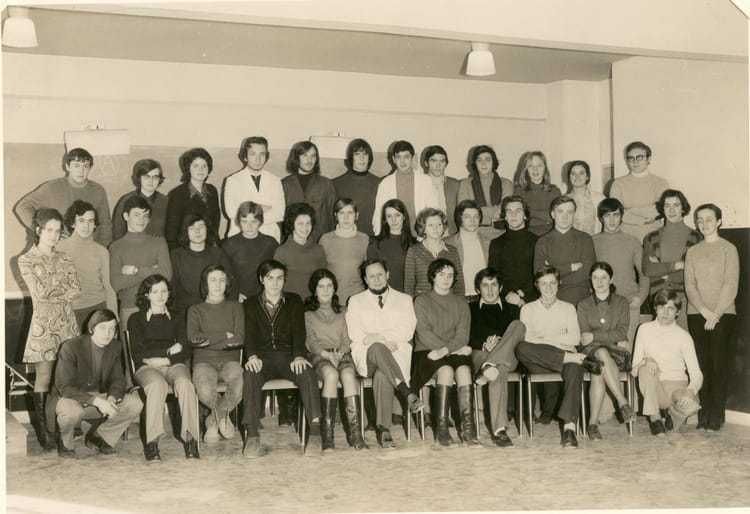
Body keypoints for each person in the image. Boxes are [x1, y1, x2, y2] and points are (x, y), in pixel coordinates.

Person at [241, 260, 322, 458]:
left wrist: (299, 355)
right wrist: (252, 356)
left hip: (288, 357)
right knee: (250, 374)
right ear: (262, 279)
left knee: (308, 372)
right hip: (263, 358)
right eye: (270, 278)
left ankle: (315, 433)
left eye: (279, 278)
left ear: (285, 280)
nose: (275, 283)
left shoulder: (294, 300)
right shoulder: (250, 303)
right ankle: (252, 436)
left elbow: (299, 332)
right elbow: (249, 334)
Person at [515, 266, 600, 448]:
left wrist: (544, 339)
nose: (548, 288)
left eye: (552, 283)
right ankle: (571, 358)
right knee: (521, 348)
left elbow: (574, 338)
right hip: (538, 362)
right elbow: (527, 338)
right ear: (537, 285)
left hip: (565, 359)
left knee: (574, 368)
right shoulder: (528, 309)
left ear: (559, 283)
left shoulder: (568, 308)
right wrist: (560, 343)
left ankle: (569, 429)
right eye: (543, 284)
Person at [19, 208, 81, 450]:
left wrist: (57, 291)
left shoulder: (65, 258)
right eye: (49, 230)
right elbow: (40, 293)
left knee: (67, 377)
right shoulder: (26, 260)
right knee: (44, 378)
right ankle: (45, 433)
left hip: (67, 324)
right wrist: (62, 291)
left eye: (58, 231)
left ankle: (65, 427)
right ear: (38, 230)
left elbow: (76, 290)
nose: (54, 235)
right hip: (43, 326)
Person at [346, 259, 424, 448]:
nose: (376, 279)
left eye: (380, 274)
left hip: (396, 356)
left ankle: (384, 430)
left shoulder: (404, 300)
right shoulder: (355, 301)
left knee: (382, 373)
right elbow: (355, 334)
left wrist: (376, 336)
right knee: (377, 348)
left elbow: (407, 330)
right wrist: (382, 339)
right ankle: (407, 393)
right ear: (365, 279)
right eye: (371, 276)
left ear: (387, 275)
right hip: (367, 357)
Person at [48, 309, 143, 458]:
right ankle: (65, 443)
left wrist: (112, 397)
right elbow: (64, 387)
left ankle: (100, 437)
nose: (107, 333)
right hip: (69, 399)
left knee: (135, 403)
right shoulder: (71, 347)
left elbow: (118, 380)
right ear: (91, 328)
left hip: (97, 400)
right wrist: (97, 401)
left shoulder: (115, 347)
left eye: (112, 329)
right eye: (102, 328)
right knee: (72, 412)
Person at [128, 275, 200, 461]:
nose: (160, 296)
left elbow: (185, 348)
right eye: (155, 291)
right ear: (146, 295)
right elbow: (138, 352)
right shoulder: (135, 319)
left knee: (185, 383)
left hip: (172, 364)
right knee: (157, 385)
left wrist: (164, 359)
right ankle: (152, 443)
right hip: (146, 367)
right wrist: (169, 351)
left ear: (169, 293)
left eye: (164, 291)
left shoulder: (177, 318)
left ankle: (190, 439)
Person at [413, 259, 479, 447]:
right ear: (432, 277)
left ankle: (468, 429)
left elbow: (463, 335)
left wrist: (445, 350)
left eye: (450, 275)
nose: (446, 279)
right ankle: (442, 431)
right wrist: (449, 350)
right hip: (427, 351)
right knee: (447, 371)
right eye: (441, 274)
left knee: (464, 370)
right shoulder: (421, 301)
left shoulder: (461, 302)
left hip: (450, 350)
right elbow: (423, 333)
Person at [685, 203, 739, 431]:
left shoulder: (729, 249)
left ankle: (716, 415)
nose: (704, 223)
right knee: (702, 364)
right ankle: (703, 414)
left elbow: (731, 284)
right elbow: (690, 285)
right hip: (697, 314)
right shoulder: (692, 251)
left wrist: (715, 314)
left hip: (723, 314)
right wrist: (703, 310)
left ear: (718, 221)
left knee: (718, 364)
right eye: (700, 219)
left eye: (709, 219)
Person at [304, 269, 368, 451]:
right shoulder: (308, 314)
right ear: (314, 290)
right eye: (321, 286)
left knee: (348, 375)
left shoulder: (343, 311)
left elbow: (348, 338)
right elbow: (310, 341)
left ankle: (356, 435)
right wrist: (327, 355)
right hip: (320, 355)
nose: (325, 290)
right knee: (331, 375)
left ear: (334, 288)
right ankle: (327, 435)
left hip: (342, 354)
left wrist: (340, 353)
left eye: (329, 286)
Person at [576, 262, 637, 439]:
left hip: (616, 352)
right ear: (590, 280)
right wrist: (607, 337)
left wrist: (595, 336)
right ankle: (623, 403)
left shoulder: (622, 302)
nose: (599, 282)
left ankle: (592, 424)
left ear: (611, 279)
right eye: (595, 277)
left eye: (604, 277)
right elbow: (584, 335)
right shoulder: (583, 304)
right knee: (601, 354)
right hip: (590, 352)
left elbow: (622, 332)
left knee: (599, 368)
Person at [631, 289, 703, 436]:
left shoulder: (684, 336)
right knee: (645, 368)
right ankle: (655, 418)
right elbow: (634, 370)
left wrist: (690, 392)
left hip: (677, 386)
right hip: (655, 388)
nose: (665, 312)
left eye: (670, 308)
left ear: (678, 312)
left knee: (691, 406)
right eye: (661, 307)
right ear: (655, 308)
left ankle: (673, 414)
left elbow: (697, 374)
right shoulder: (644, 329)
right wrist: (646, 360)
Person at [187, 265, 244, 444]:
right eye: (213, 280)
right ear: (205, 283)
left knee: (238, 387)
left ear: (227, 283)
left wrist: (208, 341)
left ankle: (213, 420)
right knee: (204, 390)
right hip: (203, 362)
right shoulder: (195, 310)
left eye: (222, 280)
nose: (218, 284)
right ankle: (223, 417)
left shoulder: (236, 307)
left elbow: (240, 338)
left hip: (230, 360)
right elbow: (194, 339)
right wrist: (224, 336)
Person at [469, 268, 526, 447]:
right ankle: (499, 430)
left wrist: (500, 343)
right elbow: (463, 335)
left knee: (519, 325)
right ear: (477, 289)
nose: (490, 289)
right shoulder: (469, 309)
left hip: (508, 356)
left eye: (494, 285)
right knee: (497, 369)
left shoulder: (513, 310)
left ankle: (489, 365)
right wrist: (483, 344)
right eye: (485, 285)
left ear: (501, 288)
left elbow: (518, 338)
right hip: (480, 354)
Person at [15, 147, 113, 246]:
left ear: (90, 168)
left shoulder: (98, 190)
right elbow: (23, 206)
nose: (81, 170)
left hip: (88, 248)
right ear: (67, 167)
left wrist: (103, 249)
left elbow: (105, 224)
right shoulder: (51, 188)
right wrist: (42, 231)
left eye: (85, 166)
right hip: (57, 248)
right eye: (76, 166)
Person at [642, 189, 702, 329]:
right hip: (658, 298)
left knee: (682, 338)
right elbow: (648, 269)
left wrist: (664, 273)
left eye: (676, 205)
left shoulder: (696, 237)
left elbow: (695, 273)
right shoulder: (651, 237)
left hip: (685, 298)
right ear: (662, 209)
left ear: (683, 208)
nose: (672, 210)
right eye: (667, 205)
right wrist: (679, 265)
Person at [592, 198, 650, 344]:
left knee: (628, 350)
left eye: (616, 215)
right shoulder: (592, 241)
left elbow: (645, 273)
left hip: (629, 304)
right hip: (600, 305)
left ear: (621, 217)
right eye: (607, 215)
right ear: (600, 218)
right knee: (604, 351)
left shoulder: (632, 241)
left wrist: (640, 298)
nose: (612, 220)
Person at [109, 196, 172, 327]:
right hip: (129, 308)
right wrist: (153, 271)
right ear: (126, 216)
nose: (141, 220)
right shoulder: (115, 247)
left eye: (145, 216)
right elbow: (116, 283)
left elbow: (167, 275)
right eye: (137, 215)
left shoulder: (159, 242)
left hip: (157, 307)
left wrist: (135, 270)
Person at [58, 201, 117, 331]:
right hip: (71, 311)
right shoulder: (59, 248)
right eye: (81, 221)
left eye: (90, 221)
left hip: (98, 309)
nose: (86, 226)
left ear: (95, 224)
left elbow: (108, 287)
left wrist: (114, 316)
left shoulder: (102, 251)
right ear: (73, 223)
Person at [533, 195, 596, 305]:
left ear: (574, 214)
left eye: (569, 212)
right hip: (552, 297)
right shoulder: (543, 241)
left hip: (579, 298)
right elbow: (539, 272)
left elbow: (588, 271)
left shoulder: (585, 239)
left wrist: (556, 278)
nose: (565, 217)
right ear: (553, 214)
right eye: (560, 211)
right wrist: (570, 267)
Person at [170, 213, 234, 317]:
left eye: (201, 227)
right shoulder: (176, 255)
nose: (197, 231)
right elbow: (172, 287)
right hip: (185, 311)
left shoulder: (218, 253)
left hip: (215, 308)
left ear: (207, 229)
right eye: (192, 228)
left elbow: (230, 284)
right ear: (186, 231)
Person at [222, 136, 285, 242]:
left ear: (266, 156)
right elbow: (231, 212)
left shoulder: (275, 180)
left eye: (262, 154)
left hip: (269, 237)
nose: (258, 159)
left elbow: (279, 213)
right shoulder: (233, 180)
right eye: (253, 154)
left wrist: (246, 210)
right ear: (245, 157)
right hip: (240, 237)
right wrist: (261, 208)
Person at [372, 140, 437, 236]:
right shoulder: (385, 184)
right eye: (398, 157)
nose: (402, 162)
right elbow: (379, 214)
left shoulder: (425, 181)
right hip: (394, 236)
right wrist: (380, 237)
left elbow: (433, 210)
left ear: (412, 158)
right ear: (393, 159)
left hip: (420, 236)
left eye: (406, 157)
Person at [610, 141, 669, 243]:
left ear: (648, 159)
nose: (635, 162)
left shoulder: (660, 183)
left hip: (654, 237)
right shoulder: (618, 184)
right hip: (625, 237)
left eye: (639, 157)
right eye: (631, 158)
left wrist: (630, 210)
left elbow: (661, 210)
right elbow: (616, 213)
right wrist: (644, 220)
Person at [221, 201, 279, 302]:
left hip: (265, 298)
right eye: (245, 222)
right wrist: (234, 293)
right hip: (238, 298)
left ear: (260, 222)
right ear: (239, 222)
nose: (249, 226)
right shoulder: (229, 244)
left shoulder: (270, 243)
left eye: (254, 221)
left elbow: (277, 273)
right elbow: (223, 274)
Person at [165, 147, 221, 249]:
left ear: (209, 169)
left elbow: (215, 225)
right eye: (196, 166)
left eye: (204, 166)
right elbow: (171, 234)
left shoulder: (212, 190)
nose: (201, 169)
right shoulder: (177, 194)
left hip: (209, 248)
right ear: (188, 169)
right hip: (186, 250)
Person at [487, 195, 538, 304]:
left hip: (532, 299)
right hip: (506, 299)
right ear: (505, 217)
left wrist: (522, 295)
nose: (513, 215)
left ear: (525, 215)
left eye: (518, 211)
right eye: (509, 211)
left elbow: (538, 273)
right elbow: (494, 276)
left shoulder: (537, 241)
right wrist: (508, 294)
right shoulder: (496, 243)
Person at [404, 207, 465, 297]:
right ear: (423, 228)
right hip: (422, 302)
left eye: (439, 224)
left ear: (443, 227)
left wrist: (460, 303)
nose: (435, 228)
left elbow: (459, 284)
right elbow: (409, 286)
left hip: (447, 301)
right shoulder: (413, 251)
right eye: (431, 225)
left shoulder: (452, 251)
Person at [282, 141, 336, 240]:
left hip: (320, 241)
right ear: (297, 158)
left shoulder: (327, 184)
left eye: (313, 156)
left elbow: (333, 217)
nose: (309, 160)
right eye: (305, 155)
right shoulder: (285, 184)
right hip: (293, 242)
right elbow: (281, 218)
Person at [319, 198, 370, 304]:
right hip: (331, 299)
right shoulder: (325, 239)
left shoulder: (365, 239)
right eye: (341, 213)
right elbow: (320, 272)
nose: (346, 217)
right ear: (336, 216)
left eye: (350, 213)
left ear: (356, 215)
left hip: (358, 298)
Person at [457, 145, 514, 239]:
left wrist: (476, 213)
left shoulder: (507, 184)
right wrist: (491, 219)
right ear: (475, 163)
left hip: (502, 234)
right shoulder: (465, 184)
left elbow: (504, 211)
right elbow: (463, 214)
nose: (483, 164)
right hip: (474, 233)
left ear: (494, 162)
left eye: (487, 160)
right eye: (479, 160)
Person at [273, 202, 328, 299]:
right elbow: (275, 285)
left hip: (313, 304)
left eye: (308, 223)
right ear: (292, 225)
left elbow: (323, 282)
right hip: (290, 304)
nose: (305, 228)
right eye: (300, 223)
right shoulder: (281, 252)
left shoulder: (319, 250)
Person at [334, 138, 381, 237]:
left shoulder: (380, 183)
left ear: (369, 157)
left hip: (373, 237)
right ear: (351, 158)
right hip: (345, 237)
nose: (362, 158)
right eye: (357, 154)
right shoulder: (336, 183)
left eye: (365, 154)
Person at [366, 198, 415, 293]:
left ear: (404, 216)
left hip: (407, 296)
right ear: (385, 219)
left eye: (397, 215)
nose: (393, 220)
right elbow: (370, 276)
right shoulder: (375, 244)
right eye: (389, 216)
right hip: (382, 295)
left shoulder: (414, 244)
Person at [444, 200, 491, 299]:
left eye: (476, 216)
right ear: (459, 218)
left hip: (482, 298)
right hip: (457, 298)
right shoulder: (447, 243)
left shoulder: (488, 243)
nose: (472, 221)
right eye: (467, 216)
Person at [112, 159, 168, 240]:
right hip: (131, 246)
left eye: (155, 177)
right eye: (146, 176)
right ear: (139, 178)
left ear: (160, 179)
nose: (151, 181)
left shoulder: (166, 202)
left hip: (159, 246)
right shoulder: (125, 200)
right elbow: (117, 232)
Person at [513, 151, 562, 236]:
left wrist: (528, 211)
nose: (535, 169)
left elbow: (557, 217)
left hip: (551, 235)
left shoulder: (555, 191)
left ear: (545, 168)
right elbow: (519, 218)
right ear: (526, 169)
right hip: (527, 234)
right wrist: (546, 218)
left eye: (539, 165)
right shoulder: (519, 190)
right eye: (531, 166)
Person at [422, 145, 460, 234]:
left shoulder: (455, 185)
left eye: (442, 161)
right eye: (433, 161)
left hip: (450, 234)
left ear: (446, 164)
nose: (438, 165)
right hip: (426, 235)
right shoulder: (420, 184)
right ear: (426, 163)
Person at [565, 160, 605, 235]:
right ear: (569, 177)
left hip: (594, 240)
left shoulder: (599, 198)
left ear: (587, 177)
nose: (577, 177)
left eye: (581, 173)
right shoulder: (564, 200)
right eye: (573, 174)